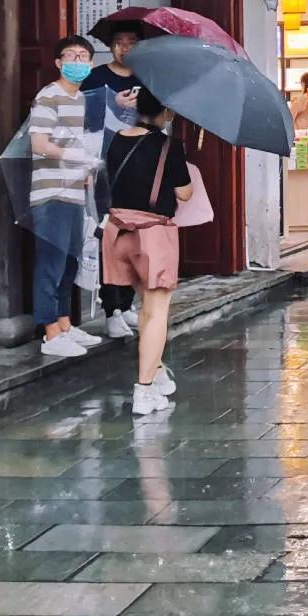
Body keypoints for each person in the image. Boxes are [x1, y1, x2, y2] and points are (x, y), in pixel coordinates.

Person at [102, 86, 194, 416]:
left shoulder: (116, 139)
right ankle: (144, 389)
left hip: (118, 232)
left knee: (143, 309)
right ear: (166, 112)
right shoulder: (169, 145)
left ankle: (154, 373)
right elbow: (184, 193)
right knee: (156, 312)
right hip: (153, 236)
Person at [29, 35, 105, 358]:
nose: (78, 61)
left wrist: (85, 169)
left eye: (83, 56)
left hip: (74, 192)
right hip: (51, 193)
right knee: (51, 261)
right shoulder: (49, 96)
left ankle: (64, 323)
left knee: (70, 261)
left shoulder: (81, 100)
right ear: (58, 63)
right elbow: (39, 144)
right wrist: (73, 158)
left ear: (90, 64)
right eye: (70, 56)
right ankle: (49, 333)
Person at [84, 24, 146, 338]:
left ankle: (127, 303)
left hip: (138, 167)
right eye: (119, 43)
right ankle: (111, 310)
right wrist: (113, 105)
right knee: (110, 238)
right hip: (104, 168)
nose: (125, 48)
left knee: (136, 238)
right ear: (111, 46)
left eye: (131, 42)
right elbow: (85, 121)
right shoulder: (95, 78)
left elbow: (158, 119)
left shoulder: (146, 78)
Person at [290, 70, 308, 134]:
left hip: (302, 132)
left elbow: (290, 116)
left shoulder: (303, 98)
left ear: (304, 84)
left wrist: (293, 104)